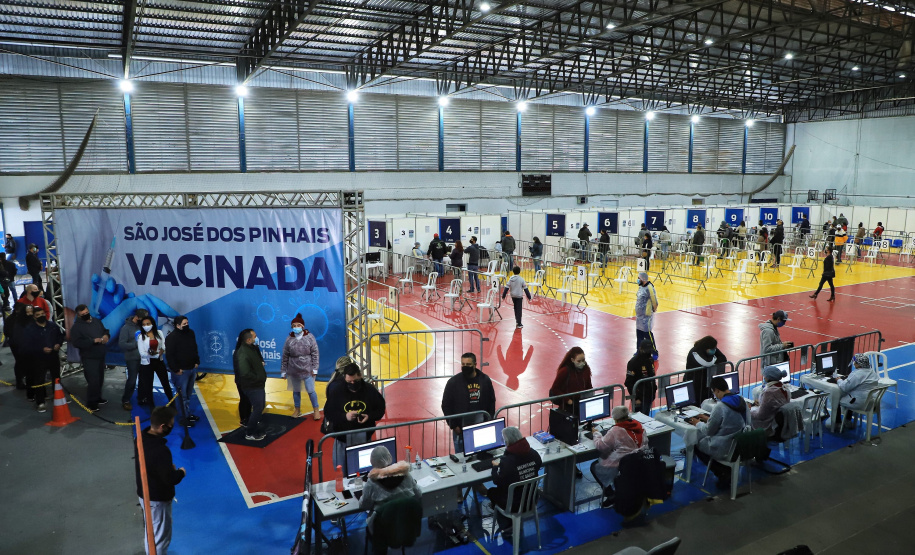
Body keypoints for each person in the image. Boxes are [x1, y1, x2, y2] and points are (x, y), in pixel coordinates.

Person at [135, 405, 186, 555]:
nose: (172, 426)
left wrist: (165, 468)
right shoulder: (161, 451)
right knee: (160, 539)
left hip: (145, 493)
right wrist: (180, 472)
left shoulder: (140, 437)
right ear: (163, 427)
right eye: (171, 424)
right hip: (157, 499)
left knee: (151, 533)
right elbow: (170, 479)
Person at [687, 377, 752, 487]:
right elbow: (732, 421)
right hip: (741, 444)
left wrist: (697, 423)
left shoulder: (720, 406)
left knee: (694, 442)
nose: (715, 396)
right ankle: (724, 469)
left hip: (724, 447)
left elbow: (708, 431)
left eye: (714, 392)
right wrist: (708, 418)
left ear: (717, 390)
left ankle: (721, 471)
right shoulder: (741, 400)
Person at [323, 362, 386, 466]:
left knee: (364, 468)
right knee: (342, 470)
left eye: (355, 381)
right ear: (345, 378)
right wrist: (345, 416)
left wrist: (369, 416)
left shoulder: (370, 390)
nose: (352, 384)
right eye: (349, 381)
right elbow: (329, 412)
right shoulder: (337, 391)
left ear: (360, 375)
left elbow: (380, 409)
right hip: (343, 438)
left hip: (364, 436)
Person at [360, 445, 422, 545]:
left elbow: (364, 505)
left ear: (372, 462)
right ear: (390, 457)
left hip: (382, 529)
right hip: (405, 526)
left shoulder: (372, 482)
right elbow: (418, 494)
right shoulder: (405, 474)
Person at [485, 426, 542, 533]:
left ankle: (506, 525)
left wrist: (495, 467)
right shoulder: (533, 453)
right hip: (532, 500)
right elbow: (538, 465)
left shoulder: (507, 462)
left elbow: (497, 481)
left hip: (514, 504)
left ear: (507, 442)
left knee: (491, 492)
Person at [590, 405, 647, 505]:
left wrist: (596, 434)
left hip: (624, 464)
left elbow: (601, 446)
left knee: (594, 466)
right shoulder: (639, 425)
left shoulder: (616, 430)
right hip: (640, 461)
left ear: (615, 419)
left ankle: (611, 495)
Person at [441, 352, 496, 452]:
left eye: (468, 365)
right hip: (461, 428)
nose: (465, 367)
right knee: (462, 457)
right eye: (463, 364)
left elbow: (491, 401)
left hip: (481, 426)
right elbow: (446, 405)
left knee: (481, 454)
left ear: (475, 365)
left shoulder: (484, 380)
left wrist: (489, 418)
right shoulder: (453, 382)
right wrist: (453, 425)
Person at [20, 306, 64, 413]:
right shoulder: (29, 329)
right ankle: (40, 402)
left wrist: (58, 343)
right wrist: (41, 349)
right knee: (39, 380)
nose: (41, 316)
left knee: (57, 378)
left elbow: (60, 336)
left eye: (42, 314)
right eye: (38, 315)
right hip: (39, 359)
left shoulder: (52, 326)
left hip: (53, 357)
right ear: (34, 317)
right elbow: (26, 345)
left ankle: (59, 397)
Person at [280, 313, 321, 420]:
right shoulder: (289, 339)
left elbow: (315, 354)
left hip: (308, 369)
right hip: (294, 369)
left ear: (302, 326)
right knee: (296, 391)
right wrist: (283, 371)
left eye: (298, 325)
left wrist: (315, 368)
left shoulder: (310, 337)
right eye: (294, 326)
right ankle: (297, 409)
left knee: (311, 391)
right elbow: (285, 355)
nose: (296, 327)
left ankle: (316, 410)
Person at [70, 303, 110, 412]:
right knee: (93, 380)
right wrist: (92, 341)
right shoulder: (76, 328)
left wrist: (106, 335)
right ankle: (91, 402)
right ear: (79, 315)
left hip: (100, 354)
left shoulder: (97, 321)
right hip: (89, 357)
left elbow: (105, 330)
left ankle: (98, 397)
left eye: (87, 313)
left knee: (100, 378)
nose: (86, 315)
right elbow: (76, 343)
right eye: (83, 314)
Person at [165, 316, 201, 426]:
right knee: (182, 396)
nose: (186, 325)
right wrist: (176, 369)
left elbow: (194, 347)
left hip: (191, 369)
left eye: (187, 323)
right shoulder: (171, 337)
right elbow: (169, 355)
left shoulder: (191, 333)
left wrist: (197, 361)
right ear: (177, 325)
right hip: (181, 372)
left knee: (188, 394)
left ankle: (187, 414)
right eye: (184, 323)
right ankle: (183, 418)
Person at [234, 328, 267, 440]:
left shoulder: (252, 348)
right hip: (252, 385)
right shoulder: (242, 352)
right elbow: (245, 372)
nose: (256, 338)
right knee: (258, 407)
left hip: (258, 384)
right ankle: (250, 433)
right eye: (254, 336)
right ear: (248, 339)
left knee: (260, 406)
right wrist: (258, 377)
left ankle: (251, 427)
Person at [137, 315, 173, 409]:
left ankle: (172, 404)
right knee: (148, 386)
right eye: (144, 324)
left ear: (152, 324)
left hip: (159, 362)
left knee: (165, 383)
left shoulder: (159, 333)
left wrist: (162, 351)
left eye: (148, 324)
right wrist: (156, 354)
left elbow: (164, 345)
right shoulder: (141, 337)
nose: (146, 326)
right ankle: (151, 408)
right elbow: (142, 353)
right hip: (147, 364)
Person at [549, 347, 593, 417]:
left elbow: (589, 386)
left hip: (581, 403)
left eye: (583, 360)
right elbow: (555, 388)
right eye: (579, 361)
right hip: (568, 406)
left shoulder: (586, 369)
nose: (582, 363)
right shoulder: (564, 371)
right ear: (572, 360)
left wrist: (590, 398)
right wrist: (568, 400)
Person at [118, 308, 147, 411]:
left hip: (143, 358)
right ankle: (126, 400)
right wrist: (136, 344)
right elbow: (122, 344)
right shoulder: (126, 328)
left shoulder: (142, 326)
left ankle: (142, 398)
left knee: (144, 380)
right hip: (132, 358)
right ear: (136, 317)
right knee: (132, 380)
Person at [685, 335, 727, 401]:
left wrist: (714, 359)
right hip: (694, 384)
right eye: (712, 349)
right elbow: (706, 363)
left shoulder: (710, 348)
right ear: (706, 348)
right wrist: (714, 359)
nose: (714, 350)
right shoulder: (694, 353)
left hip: (706, 384)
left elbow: (723, 358)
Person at [750, 365, 789, 436]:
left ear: (767, 378)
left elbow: (760, 415)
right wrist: (762, 403)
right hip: (779, 420)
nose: (764, 377)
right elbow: (774, 404)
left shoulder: (769, 392)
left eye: (764, 376)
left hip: (769, 424)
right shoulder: (784, 388)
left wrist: (748, 410)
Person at [625, 339, 657, 415]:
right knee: (639, 419)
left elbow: (651, 376)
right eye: (646, 350)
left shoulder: (650, 360)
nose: (648, 352)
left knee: (646, 417)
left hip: (649, 396)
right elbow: (629, 382)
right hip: (639, 398)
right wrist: (636, 398)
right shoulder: (633, 362)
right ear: (641, 349)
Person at [6, 304, 32, 396]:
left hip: (19, 344)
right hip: (18, 345)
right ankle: (20, 382)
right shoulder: (14, 321)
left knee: (20, 363)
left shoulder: (11, 319)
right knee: (20, 362)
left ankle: (21, 380)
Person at [634, 272, 659, 358]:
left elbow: (655, 301)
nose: (638, 280)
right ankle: (639, 351)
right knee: (639, 335)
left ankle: (654, 352)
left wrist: (651, 311)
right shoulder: (641, 287)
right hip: (639, 316)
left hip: (646, 317)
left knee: (648, 335)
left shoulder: (650, 288)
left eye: (639, 278)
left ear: (643, 279)